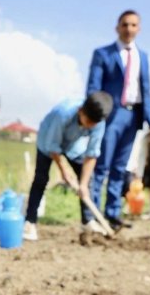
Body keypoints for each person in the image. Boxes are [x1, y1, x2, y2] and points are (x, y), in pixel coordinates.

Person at [87, 10, 150, 231]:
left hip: (133, 116)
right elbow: (93, 87)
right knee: (101, 166)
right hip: (111, 114)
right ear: (117, 27)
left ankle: (112, 214)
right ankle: (92, 215)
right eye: (125, 24)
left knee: (121, 168)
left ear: (138, 28)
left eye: (133, 25)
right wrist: (96, 113)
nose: (129, 29)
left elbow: (146, 91)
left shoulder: (143, 57)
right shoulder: (103, 54)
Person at [23, 91, 113, 241]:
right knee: (41, 179)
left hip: (72, 145)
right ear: (80, 111)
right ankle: (30, 222)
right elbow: (53, 146)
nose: (91, 127)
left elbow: (91, 154)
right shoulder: (63, 113)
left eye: (93, 124)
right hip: (47, 141)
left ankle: (88, 222)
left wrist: (83, 184)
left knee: (86, 180)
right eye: (88, 122)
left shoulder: (99, 122)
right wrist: (63, 170)